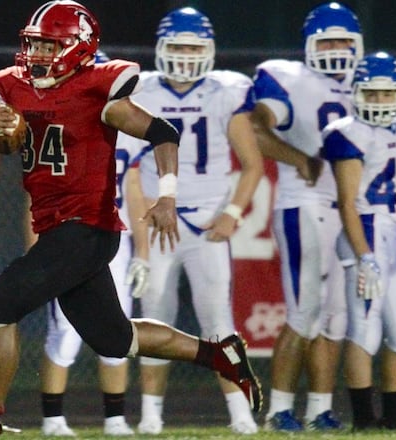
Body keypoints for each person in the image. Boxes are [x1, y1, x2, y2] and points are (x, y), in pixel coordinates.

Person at [0, 2, 260, 439]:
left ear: (77, 47)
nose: (39, 54)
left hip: (88, 226)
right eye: (35, 44)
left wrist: (167, 196)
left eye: (50, 44)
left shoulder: (97, 88)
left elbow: (164, 132)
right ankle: (220, 355)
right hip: (57, 226)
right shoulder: (11, 87)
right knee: (114, 339)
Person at [117, 7, 263, 436]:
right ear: (162, 49)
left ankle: (240, 415)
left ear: (209, 51)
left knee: (219, 320)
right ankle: (150, 416)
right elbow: (129, 169)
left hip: (205, 226)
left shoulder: (227, 91)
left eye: (192, 47)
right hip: (158, 222)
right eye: (177, 46)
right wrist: (142, 240)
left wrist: (232, 215)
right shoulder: (141, 91)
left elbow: (251, 164)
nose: (184, 55)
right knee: (156, 317)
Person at [250, 2, 363, 431]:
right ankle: (278, 409)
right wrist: (299, 158)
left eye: (343, 41)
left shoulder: (366, 83)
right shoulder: (289, 79)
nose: (336, 49)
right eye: (327, 40)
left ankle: (320, 408)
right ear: (310, 46)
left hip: (346, 211)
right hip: (305, 206)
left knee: (333, 317)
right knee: (303, 311)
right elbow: (258, 128)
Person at [33, 49, 144, 437]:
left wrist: (142, 254)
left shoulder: (125, 128)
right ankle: (52, 420)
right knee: (64, 332)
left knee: (119, 327)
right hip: (67, 238)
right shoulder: (52, 129)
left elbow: (134, 195)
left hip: (113, 239)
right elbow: (36, 195)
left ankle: (115, 418)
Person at [321, 52, 396, 430]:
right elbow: (348, 202)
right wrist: (364, 255)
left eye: (387, 94)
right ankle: (364, 420)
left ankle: (392, 418)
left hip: (392, 235)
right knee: (365, 328)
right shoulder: (347, 133)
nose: (380, 102)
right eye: (373, 94)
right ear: (358, 94)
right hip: (363, 234)